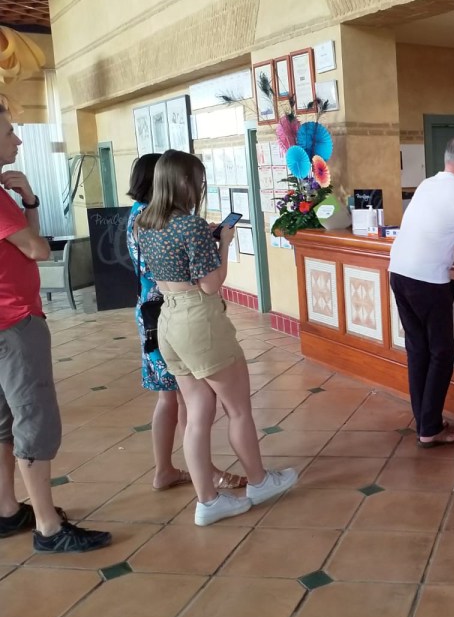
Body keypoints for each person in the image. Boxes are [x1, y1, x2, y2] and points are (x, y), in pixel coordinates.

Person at [136, 150, 296, 526]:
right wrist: (222, 241)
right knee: (237, 407)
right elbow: (210, 285)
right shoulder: (189, 225)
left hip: (169, 323)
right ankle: (258, 482)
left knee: (197, 416)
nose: (200, 188)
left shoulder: (145, 222)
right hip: (198, 320)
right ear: (184, 182)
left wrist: (205, 242)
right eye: (199, 181)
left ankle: (208, 501)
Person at [0, 104, 112, 552]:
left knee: (4, 423)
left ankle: (8, 510)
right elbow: (38, 250)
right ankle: (47, 526)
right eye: (9, 131)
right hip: (14, 322)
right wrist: (30, 201)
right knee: (33, 418)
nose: (18, 140)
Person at [125, 154, 247, 492]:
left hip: (160, 316)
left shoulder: (142, 219)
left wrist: (196, 242)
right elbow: (205, 282)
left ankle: (189, 479)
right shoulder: (165, 221)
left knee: (179, 399)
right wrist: (216, 245)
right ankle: (204, 476)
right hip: (176, 311)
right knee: (189, 403)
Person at [389, 138, 454, 447]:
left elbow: (445, 228)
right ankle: (431, 427)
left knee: (418, 350)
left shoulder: (426, 184)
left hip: (399, 272)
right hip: (427, 280)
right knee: (442, 352)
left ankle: (424, 422)